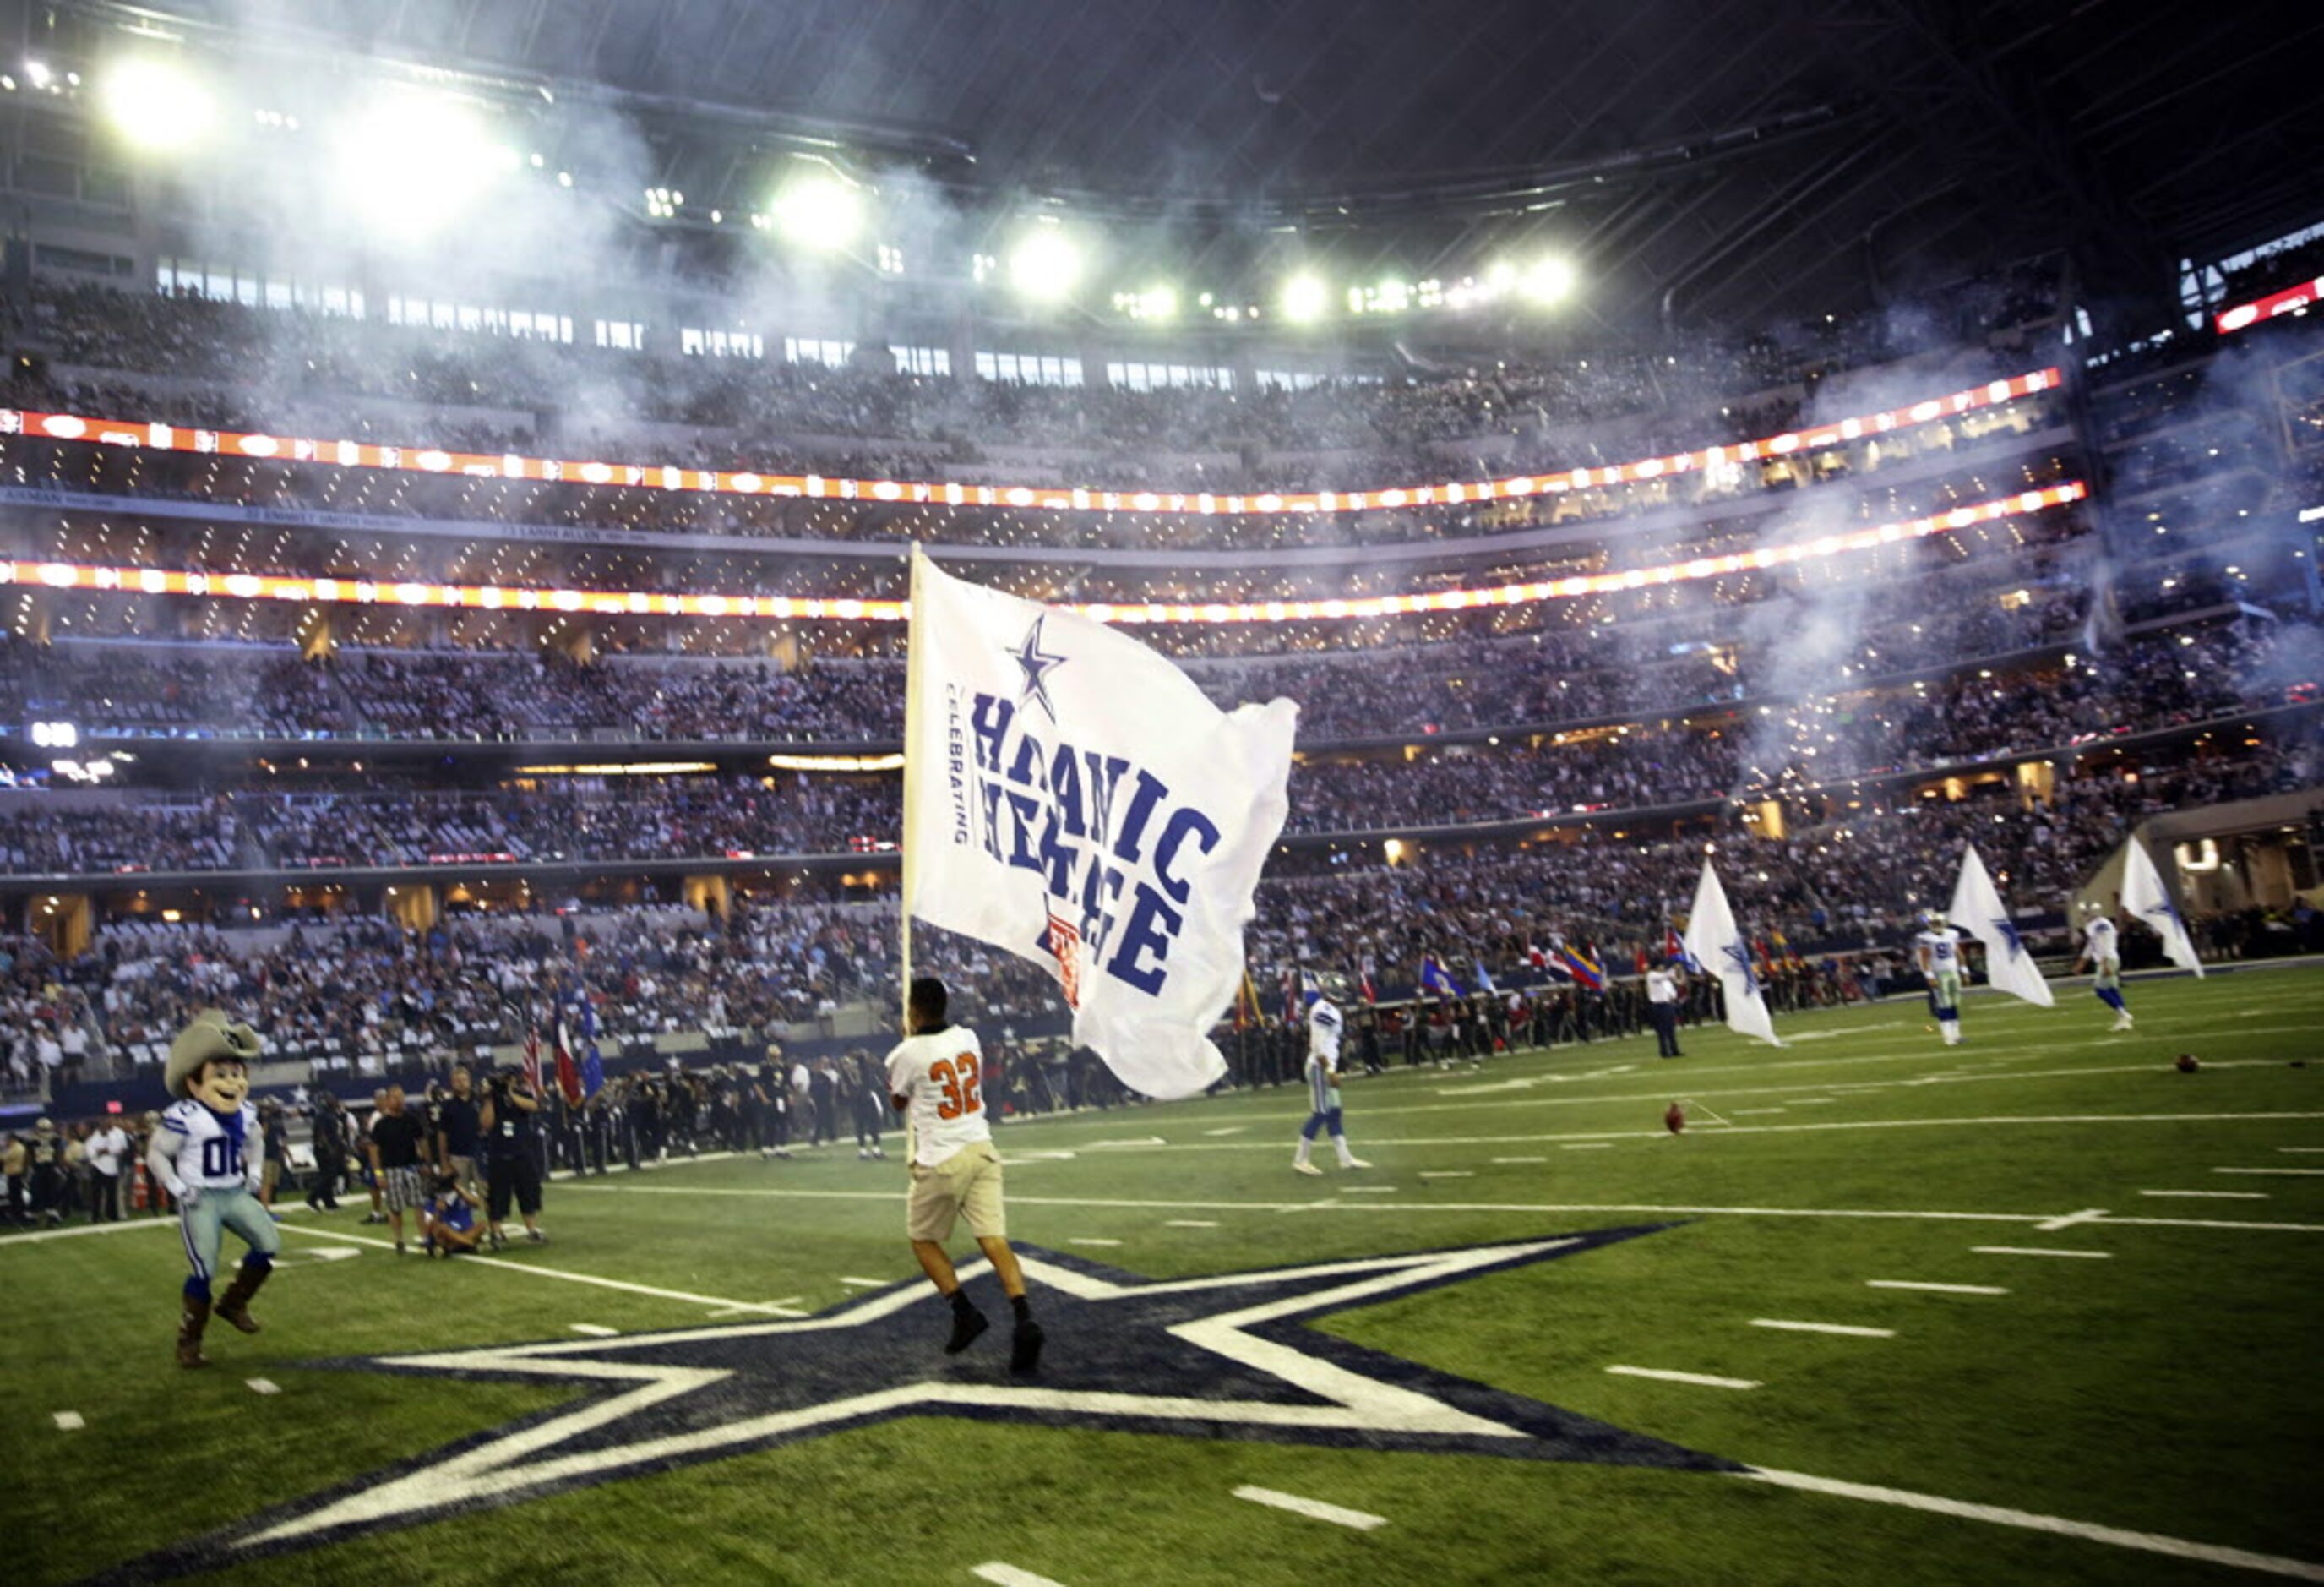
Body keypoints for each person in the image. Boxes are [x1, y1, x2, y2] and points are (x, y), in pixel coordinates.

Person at [884, 977, 1042, 1374]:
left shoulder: (906, 1053)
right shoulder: (969, 1037)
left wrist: (908, 1044)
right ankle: (1024, 1319)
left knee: (923, 1240)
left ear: (914, 1009)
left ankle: (963, 1310)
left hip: (943, 1157)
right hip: (982, 1147)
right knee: (994, 1239)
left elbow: (898, 1102)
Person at [147, 1012, 280, 1369]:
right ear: (194, 1083)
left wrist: (253, 1171)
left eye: (236, 1073)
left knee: (269, 1245)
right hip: (201, 1197)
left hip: (233, 1191)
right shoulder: (185, 1113)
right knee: (203, 1269)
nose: (231, 1080)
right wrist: (176, 1186)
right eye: (220, 1074)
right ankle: (188, 1342)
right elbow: (156, 1153)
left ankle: (233, 1303)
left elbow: (255, 1142)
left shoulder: (246, 1111)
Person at [1293, 977, 1370, 1176]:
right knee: (1320, 1113)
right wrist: (1329, 1071)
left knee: (1334, 1112)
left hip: (1327, 1067)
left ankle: (1345, 1158)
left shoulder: (1327, 1008)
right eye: (1342, 988)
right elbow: (1317, 1045)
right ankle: (1300, 1160)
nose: (1345, 992)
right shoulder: (1324, 1010)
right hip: (1320, 1068)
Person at [480, 1067, 547, 1246]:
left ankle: (532, 1230)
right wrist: (489, 1098)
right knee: (497, 1196)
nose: (505, 1081)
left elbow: (533, 1106)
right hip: (499, 1153)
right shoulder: (491, 1098)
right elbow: (486, 1123)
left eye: (508, 1078)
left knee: (528, 1192)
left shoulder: (522, 1093)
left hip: (522, 1151)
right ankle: (496, 1232)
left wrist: (510, 1093)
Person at [366, 1085, 427, 1256]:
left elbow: (422, 1142)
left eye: (401, 1097)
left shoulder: (412, 1120)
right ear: (387, 1100)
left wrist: (426, 1163)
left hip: (411, 1166)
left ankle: (424, 1237)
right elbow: (374, 1150)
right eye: (394, 1097)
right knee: (395, 1207)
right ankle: (399, 1240)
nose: (398, 1100)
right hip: (391, 1169)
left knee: (418, 1204)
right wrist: (378, 1173)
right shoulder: (381, 1124)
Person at [2076, 903, 2135, 1031]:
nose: (2084, 916)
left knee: (2100, 990)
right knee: (2113, 989)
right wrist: (2082, 962)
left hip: (2107, 960)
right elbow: (2092, 945)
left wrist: (2105, 964)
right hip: (2108, 959)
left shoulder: (2100, 925)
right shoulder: (2096, 924)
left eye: (2086, 913)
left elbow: (2104, 945)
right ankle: (2123, 1020)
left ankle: (2124, 1014)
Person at [1915, 911, 1968, 1046]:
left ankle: (1957, 1036)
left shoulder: (1952, 934)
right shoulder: (1925, 937)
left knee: (1953, 1003)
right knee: (1943, 1005)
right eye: (1933, 923)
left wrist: (1964, 971)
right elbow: (1924, 958)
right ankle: (1948, 1038)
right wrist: (1929, 976)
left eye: (1937, 923)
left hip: (1953, 972)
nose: (1935, 925)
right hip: (1939, 973)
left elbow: (1958, 953)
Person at [435, 1066, 486, 1206]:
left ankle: (495, 1227)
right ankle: (465, 1225)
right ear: (452, 1083)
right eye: (457, 1081)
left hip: (480, 1154)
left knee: (487, 1192)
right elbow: (442, 1134)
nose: (461, 1083)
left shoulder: (480, 1101)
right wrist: (444, 1162)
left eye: (464, 1080)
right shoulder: (447, 1106)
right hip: (457, 1156)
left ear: (469, 1081)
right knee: (460, 1195)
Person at [420, 1169, 483, 1258]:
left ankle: (451, 1248)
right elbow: (429, 1226)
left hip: (464, 1230)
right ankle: (469, 1243)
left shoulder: (462, 1196)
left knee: (482, 1225)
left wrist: (460, 1190)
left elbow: (477, 1204)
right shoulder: (434, 1200)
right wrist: (438, 1211)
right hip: (447, 1234)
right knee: (443, 1228)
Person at [86, 1115, 131, 1223]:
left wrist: (107, 1151)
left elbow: (122, 1148)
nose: (108, 1122)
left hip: (113, 1168)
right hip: (97, 1167)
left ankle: (112, 1216)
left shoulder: (119, 1133)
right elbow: (91, 1153)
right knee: (96, 1194)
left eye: (110, 1120)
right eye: (106, 1120)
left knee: (112, 1194)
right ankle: (95, 1217)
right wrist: (105, 1151)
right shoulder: (95, 1136)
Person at [1646, 958, 1684, 1058]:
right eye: (1661, 965)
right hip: (1658, 1005)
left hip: (1667, 1004)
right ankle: (1664, 1051)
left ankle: (1674, 1049)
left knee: (1671, 1029)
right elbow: (1666, 975)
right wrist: (1674, 968)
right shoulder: (1652, 975)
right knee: (1662, 1030)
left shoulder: (1664, 979)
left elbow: (1674, 986)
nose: (1662, 967)